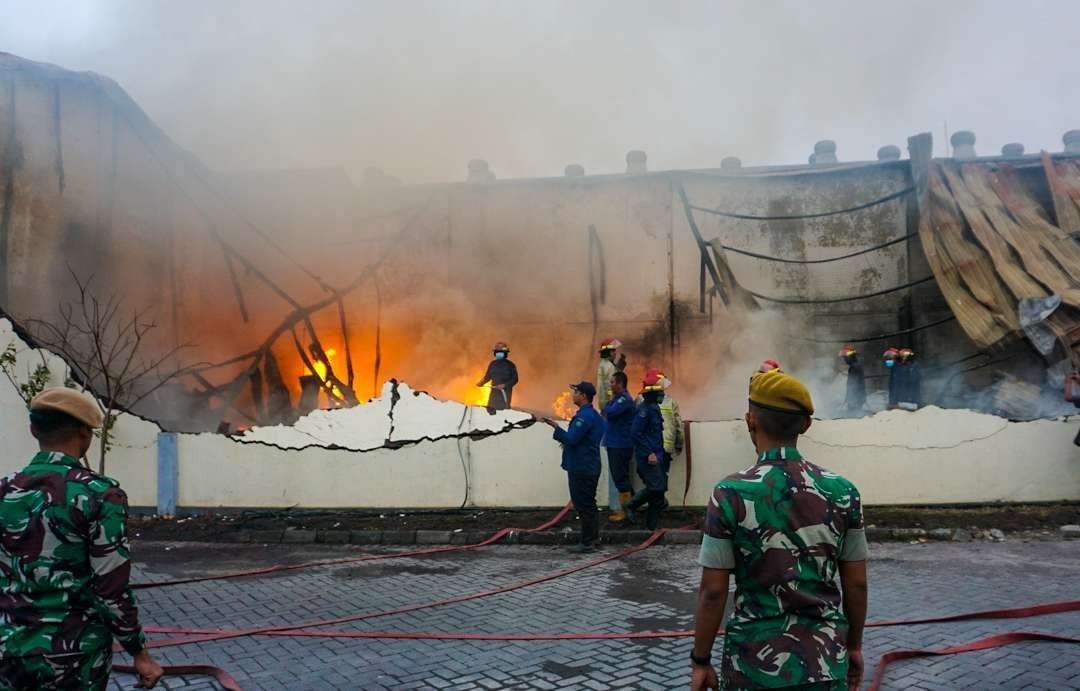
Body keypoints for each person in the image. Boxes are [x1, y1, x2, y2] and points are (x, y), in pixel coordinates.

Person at [689, 369, 868, 691]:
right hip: (825, 663)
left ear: (750, 421)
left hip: (752, 665)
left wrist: (700, 660)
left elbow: (713, 592)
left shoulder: (729, 494)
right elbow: (856, 585)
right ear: (806, 425)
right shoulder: (844, 492)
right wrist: (853, 646)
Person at [0, 388, 164, 690]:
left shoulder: (5, 490)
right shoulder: (100, 495)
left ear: (33, 430)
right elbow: (111, 589)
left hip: (10, 650)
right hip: (75, 656)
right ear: (85, 434)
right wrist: (139, 653)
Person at [542, 382, 605, 553]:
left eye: (576, 392)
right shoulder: (595, 415)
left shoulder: (584, 417)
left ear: (584, 395)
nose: (573, 394)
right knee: (589, 504)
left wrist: (555, 427)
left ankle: (587, 543)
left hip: (581, 466)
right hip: (589, 464)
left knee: (583, 505)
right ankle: (593, 539)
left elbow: (572, 439)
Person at [623, 370, 667, 530]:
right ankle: (631, 505)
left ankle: (651, 528)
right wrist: (649, 453)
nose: (663, 394)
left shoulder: (653, 408)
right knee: (657, 488)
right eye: (660, 392)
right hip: (648, 457)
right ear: (652, 393)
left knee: (658, 494)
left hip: (657, 455)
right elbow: (635, 433)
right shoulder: (645, 410)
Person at [601, 371, 635, 522]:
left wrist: (607, 406)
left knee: (620, 478)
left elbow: (609, 412)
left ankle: (625, 512)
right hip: (615, 443)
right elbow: (607, 409)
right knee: (620, 477)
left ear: (620, 384)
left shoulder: (624, 400)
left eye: (613, 382)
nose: (611, 385)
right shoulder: (617, 399)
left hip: (620, 445)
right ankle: (631, 507)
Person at [476, 341, 518, 410]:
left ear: (505, 353)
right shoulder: (492, 364)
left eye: (501, 352)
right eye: (497, 352)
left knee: (503, 411)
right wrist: (480, 383)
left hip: (504, 393)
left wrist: (504, 385)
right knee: (490, 410)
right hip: (494, 392)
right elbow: (487, 377)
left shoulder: (510, 365)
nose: (499, 354)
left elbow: (515, 379)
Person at [595, 337, 627, 409]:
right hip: (609, 403)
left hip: (604, 402)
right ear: (609, 352)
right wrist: (613, 399)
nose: (615, 354)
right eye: (614, 351)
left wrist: (620, 364)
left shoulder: (603, 363)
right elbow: (611, 384)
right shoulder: (609, 366)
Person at [840, 345, 866, 416]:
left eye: (845, 358)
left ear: (850, 357)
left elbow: (854, 385)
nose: (844, 360)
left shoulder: (855, 367)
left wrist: (851, 399)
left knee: (853, 417)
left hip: (856, 400)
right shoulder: (855, 366)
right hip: (857, 398)